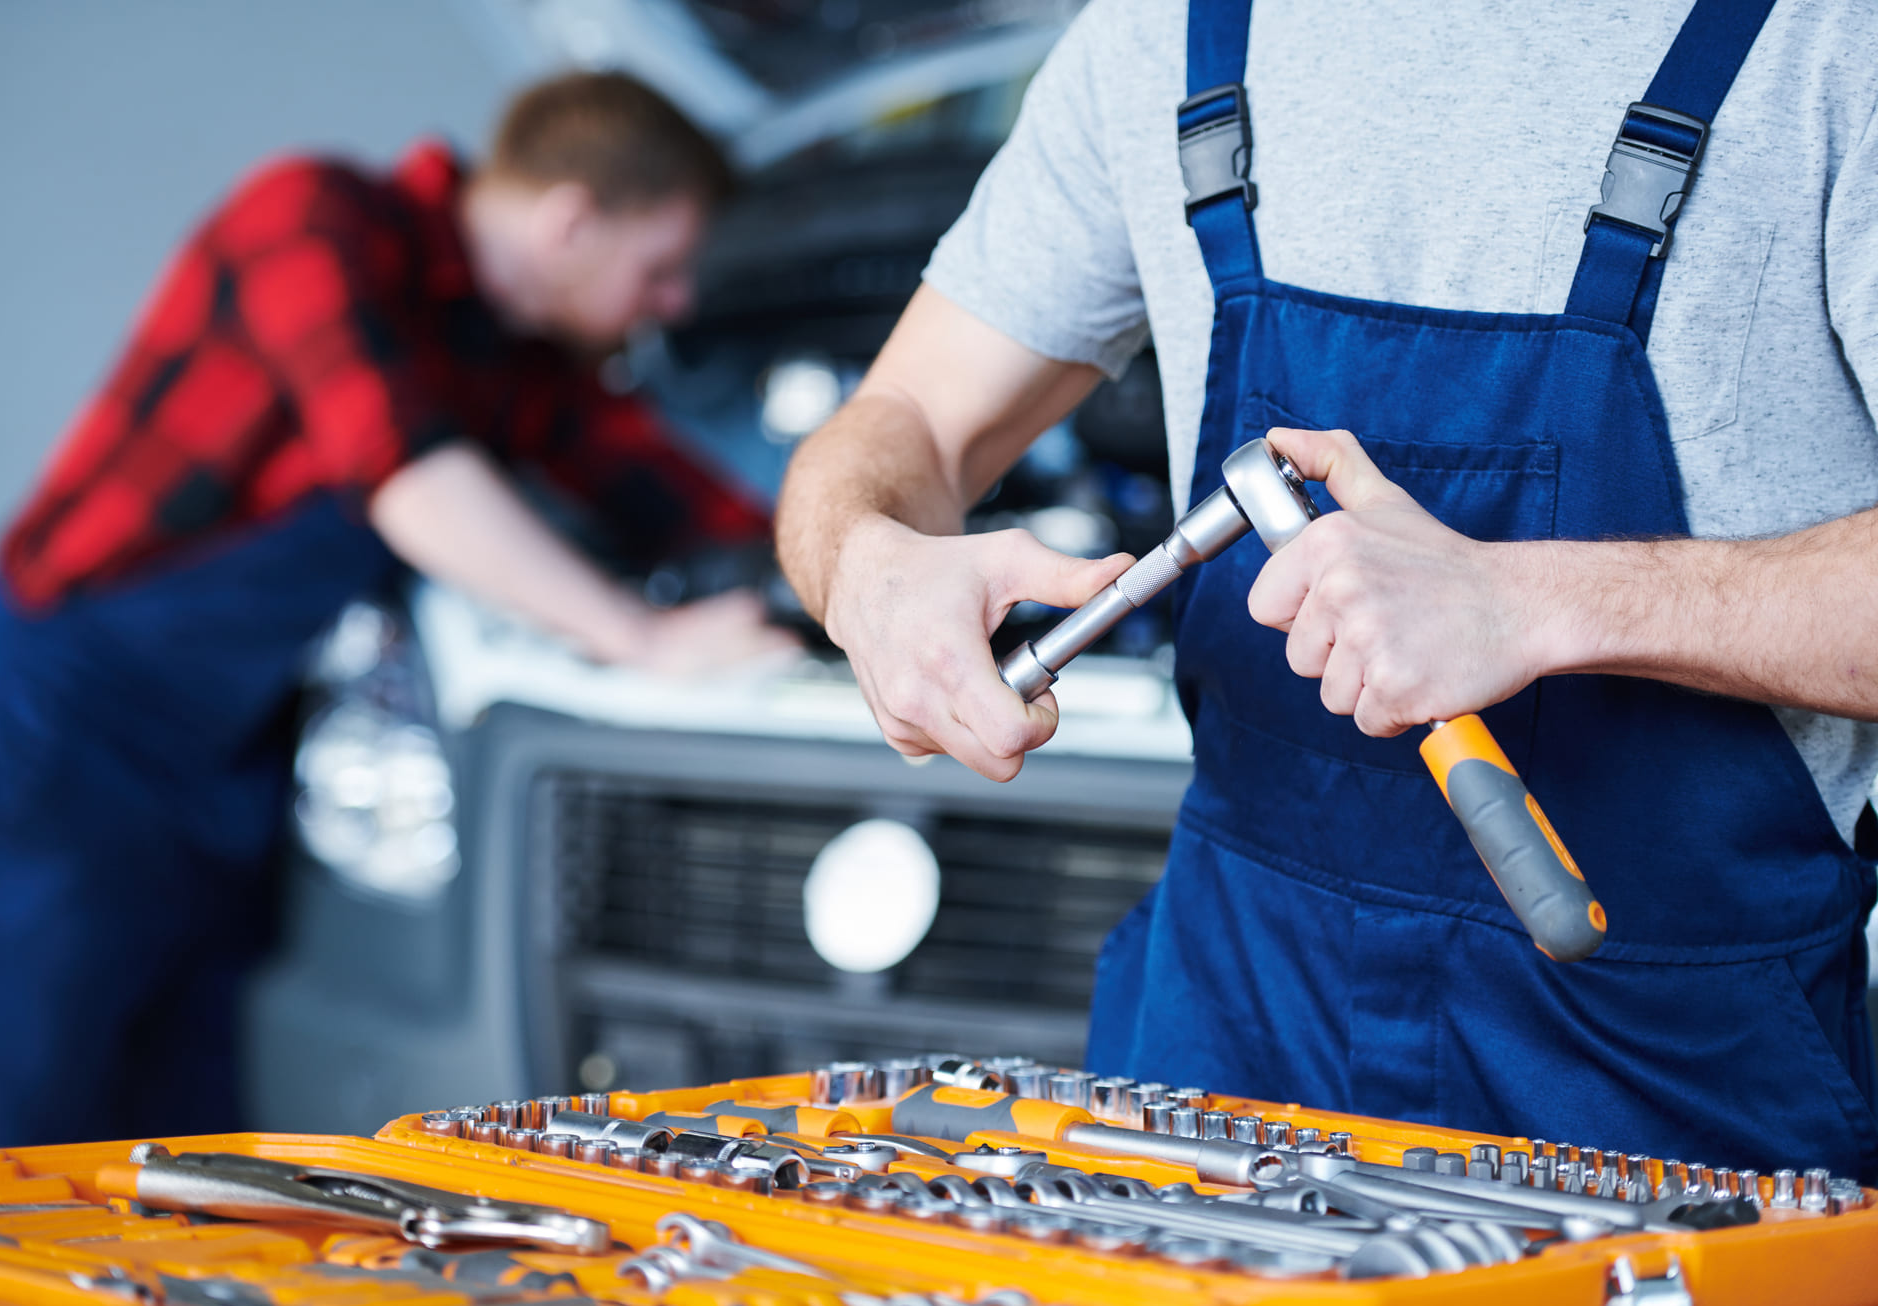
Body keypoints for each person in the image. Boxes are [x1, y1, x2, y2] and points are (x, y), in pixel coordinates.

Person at [778, 0, 1878, 1182]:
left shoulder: (1826, 42)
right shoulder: (1168, 32)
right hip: (1222, 1052)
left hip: (1662, 1093)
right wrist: (862, 567)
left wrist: (1534, 601)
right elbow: (901, 421)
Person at [0, 73, 796, 1153]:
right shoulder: (310, 217)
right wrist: (641, 640)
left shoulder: (510, 361)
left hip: (223, 762)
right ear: (570, 221)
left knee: (182, 1146)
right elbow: (403, 474)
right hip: (57, 729)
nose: (675, 304)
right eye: (659, 270)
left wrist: (848, 560)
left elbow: (685, 504)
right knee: (2, 1129)